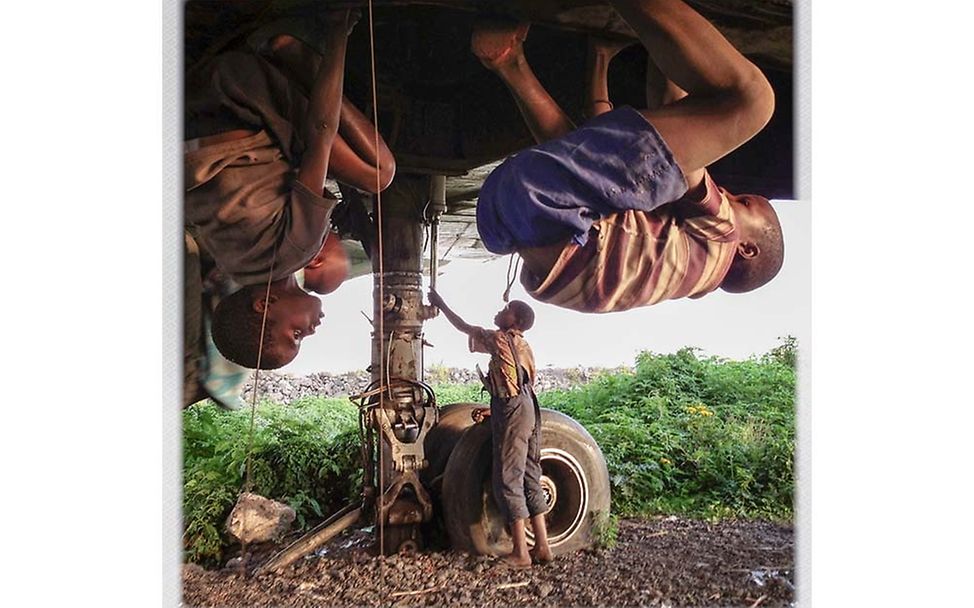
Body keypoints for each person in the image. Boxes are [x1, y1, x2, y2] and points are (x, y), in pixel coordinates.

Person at [472, 0, 783, 314]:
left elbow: (677, 147)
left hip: (551, 216)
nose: (728, 193)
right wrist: (602, 57)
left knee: (753, 101)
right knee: (591, 166)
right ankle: (510, 62)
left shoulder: (724, 238)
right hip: (510, 217)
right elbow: (601, 151)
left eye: (744, 202)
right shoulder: (672, 265)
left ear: (747, 249)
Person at [184, 9, 395, 369]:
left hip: (239, 89)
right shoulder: (231, 263)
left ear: (264, 305)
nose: (311, 331)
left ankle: (286, 48)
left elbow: (322, 130)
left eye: (295, 335)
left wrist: (337, 36)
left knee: (379, 174)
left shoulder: (296, 250)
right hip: (194, 102)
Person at [427, 289, 553, 568]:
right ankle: (542, 546)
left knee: (507, 477)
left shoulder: (499, 338)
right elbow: (519, 383)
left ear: (515, 321)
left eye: (507, 309)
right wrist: (495, 409)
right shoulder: (522, 344)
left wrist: (440, 302)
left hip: (513, 409)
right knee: (530, 475)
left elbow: (463, 326)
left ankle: (521, 552)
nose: (500, 310)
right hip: (528, 407)